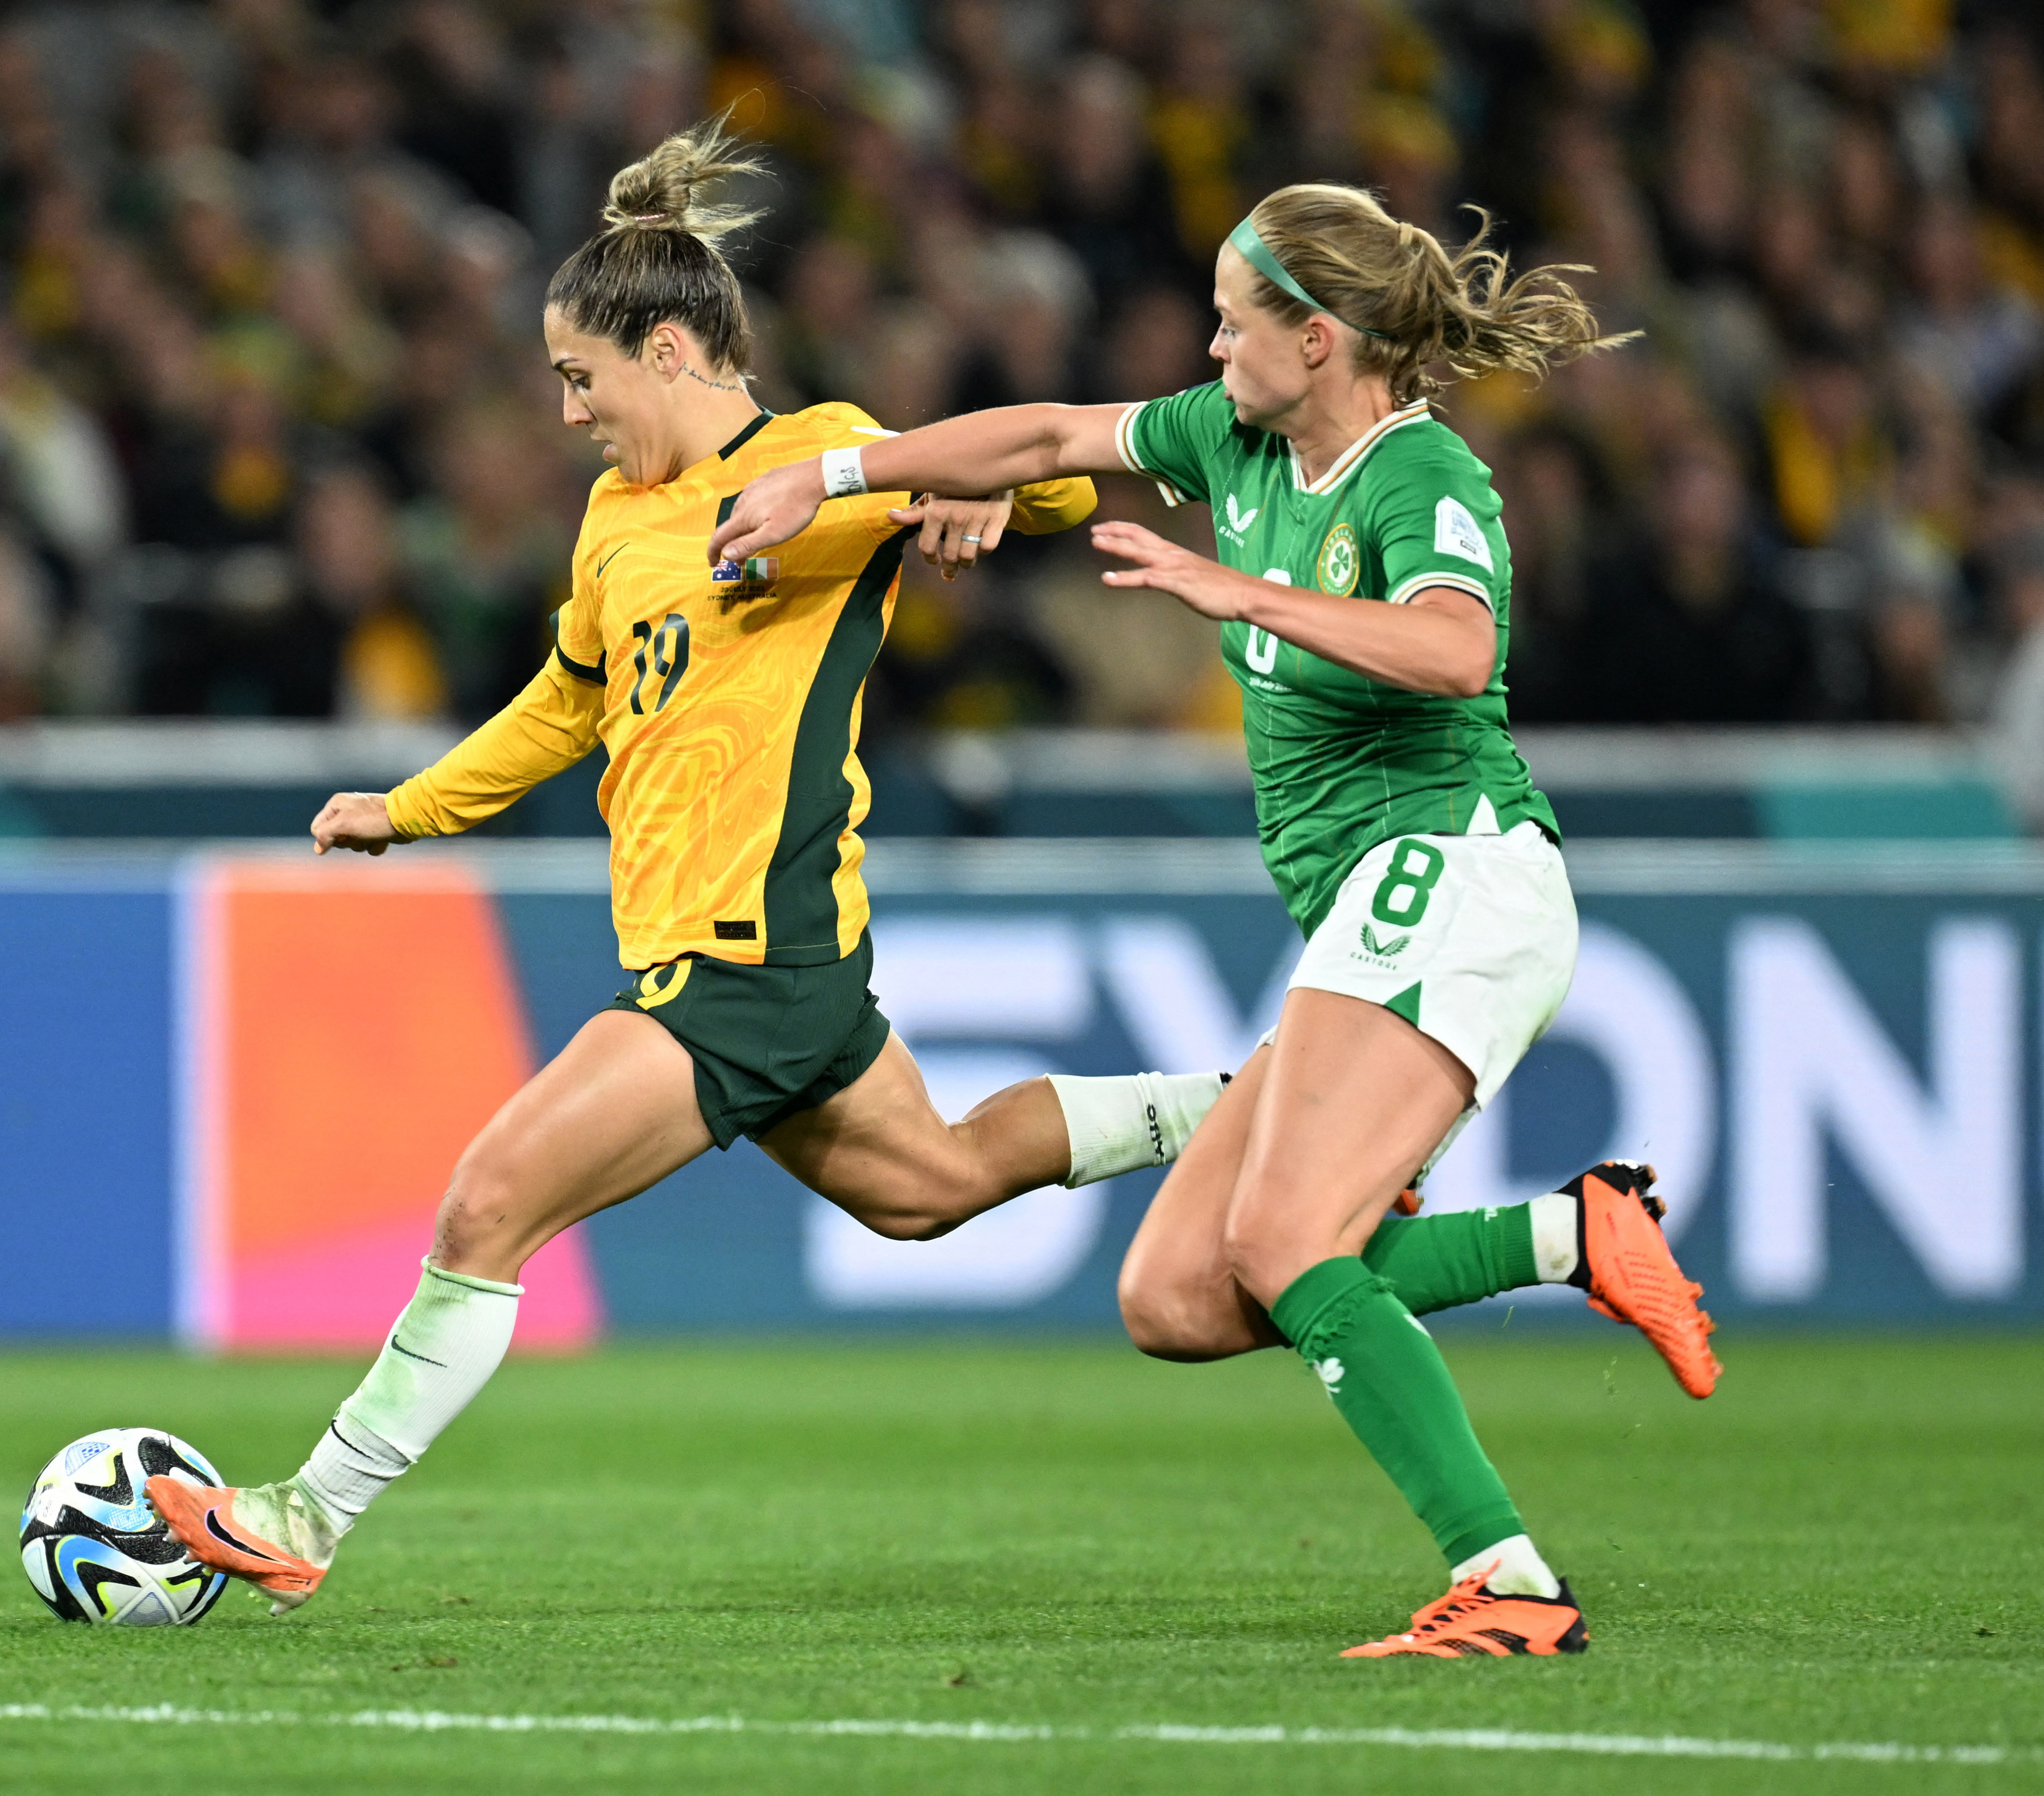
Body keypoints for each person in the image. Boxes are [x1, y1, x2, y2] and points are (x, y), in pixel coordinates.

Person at [141, 121, 1229, 1613]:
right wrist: (411, 807)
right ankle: (1258, 1109)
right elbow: (570, 702)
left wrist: (984, 499)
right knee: (937, 1183)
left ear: (668, 349)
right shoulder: (612, 521)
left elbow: (1042, 471)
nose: (571, 410)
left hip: (750, 954)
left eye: (582, 378)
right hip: (716, 956)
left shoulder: (815, 458)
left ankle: (308, 1513)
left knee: (486, 1206)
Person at [713, 183, 1722, 1659]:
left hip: (1455, 867)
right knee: (1177, 1293)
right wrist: (842, 473)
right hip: (1375, 907)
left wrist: (1226, 584)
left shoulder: (1416, 473)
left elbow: (1457, 648)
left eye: (1234, 322)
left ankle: (1507, 1576)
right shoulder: (1231, 436)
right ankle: (1573, 1231)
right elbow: (1053, 433)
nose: (1210, 343)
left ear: (1318, 339)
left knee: (1288, 1235)